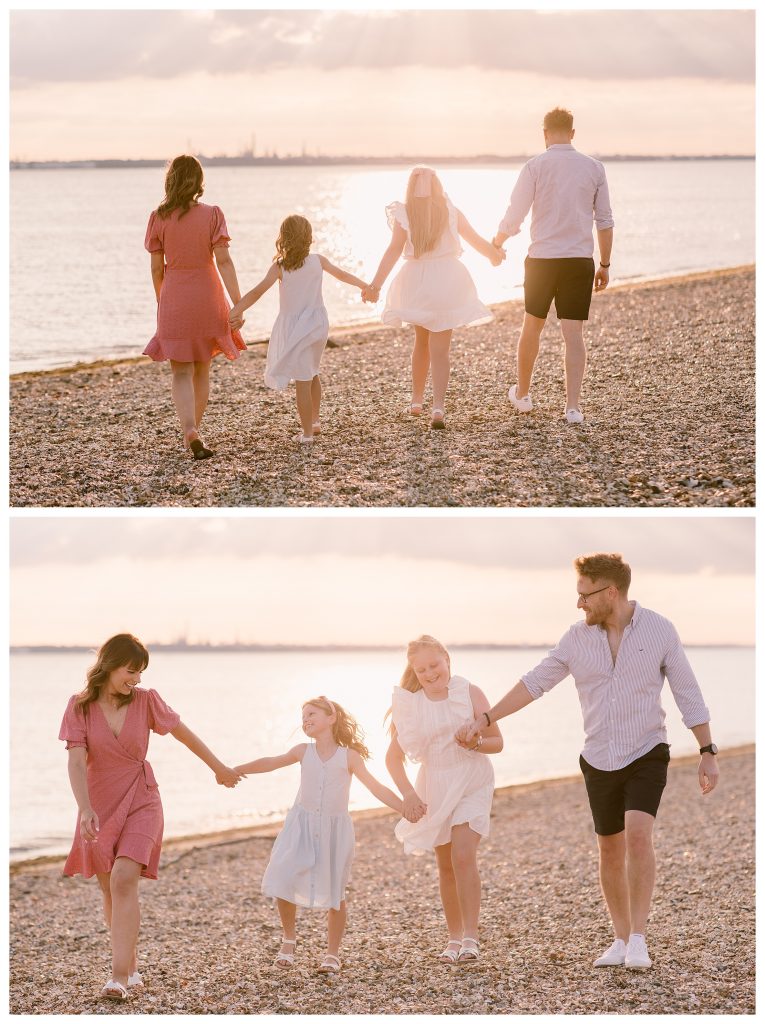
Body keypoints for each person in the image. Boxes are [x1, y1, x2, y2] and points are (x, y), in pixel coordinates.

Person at [458, 553, 719, 970]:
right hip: (597, 756)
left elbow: (687, 690)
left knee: (637, 835)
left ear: (610, 592)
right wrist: (486, 718)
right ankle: (618, 938)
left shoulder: (660, 630)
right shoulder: (575, 639)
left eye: (584, 595)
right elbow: (534, 683)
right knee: (610, 848)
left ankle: (638, 938)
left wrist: (707, 751)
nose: (579, 604)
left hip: (647, 750)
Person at [58, 634, 242, 1001]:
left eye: (141, 672)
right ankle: (131, 963)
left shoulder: (146, 701)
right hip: (100, 805)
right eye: (131, 670)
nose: (136, 679)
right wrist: (84, 807)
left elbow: (185, 735)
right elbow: (77, 761)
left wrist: (219, 768)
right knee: (111, 891)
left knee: (126, 879)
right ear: (110, 665)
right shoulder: (79, 706)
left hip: (143, 799)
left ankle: (118, 977)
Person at [233, 696, 404, 974]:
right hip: (300, 826)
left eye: (311, 714)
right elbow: (271, 762)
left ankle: (332, 954)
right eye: (303, 717)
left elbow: (375, 787)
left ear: (331, 717)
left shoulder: (349, 756)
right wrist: (238, 769)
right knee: (284, 876)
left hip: (334, 831)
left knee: (336, 892)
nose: (306, 720)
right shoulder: (302, 751)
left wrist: (404, 807)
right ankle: (289, 940)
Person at [385, 636, 503, 964]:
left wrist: (475, 744)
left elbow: (498, 741)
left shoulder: (470, 693)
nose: (429, 673)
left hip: (471, 779)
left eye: (434, 665)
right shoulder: (410, 706)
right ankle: (453, 937)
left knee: (463, 855)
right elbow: (392, 760)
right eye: (421, 669)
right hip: (434, 784)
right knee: (445, 865)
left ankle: (471, 937)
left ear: (447, 659)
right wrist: (408, 795)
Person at [493, 108, 614, 424]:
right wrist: (605, 264)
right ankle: (572, 407)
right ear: (573, 133)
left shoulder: (535, 166)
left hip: (542, 260)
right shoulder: (594, 168)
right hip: (578, 260)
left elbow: (515, 213)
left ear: (544, 133)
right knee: (573, 334)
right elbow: (604, 221)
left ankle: (522, 394)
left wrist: (498, 241)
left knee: (531, 325)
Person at [363, 166, 504, 430]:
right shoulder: (450, 211)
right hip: (448, 279)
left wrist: (375, 285)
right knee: (441, 350)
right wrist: (494, 255)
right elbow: (475, 240)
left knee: (421, 342)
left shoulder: (404, 213)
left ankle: (417, 401)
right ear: (438, 185)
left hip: (417, 281)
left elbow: (393, 251)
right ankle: (437, 407)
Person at [228, 215, 369, 444]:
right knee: (312, 371)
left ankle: (307, 434)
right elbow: (342, 275)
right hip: (318, 324)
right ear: (308, 237)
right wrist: (364, 286)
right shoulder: (318, 261)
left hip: (298, 328)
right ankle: (314, 422)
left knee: (303, 379)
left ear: (283, 238)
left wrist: (235, 310)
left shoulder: (281, 267)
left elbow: (257, 292)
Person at [144, 154, 246, 460]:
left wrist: (162, 301)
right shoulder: (213, 214)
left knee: (180, 372)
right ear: (199, 181)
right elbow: (224, 261)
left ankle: (189, 429)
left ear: (170, 180)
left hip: (175, 297)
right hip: (208, 296)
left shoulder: (158, 217)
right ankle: (195, 431)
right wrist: (238, 303)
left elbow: (155, 269)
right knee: (203, 368)